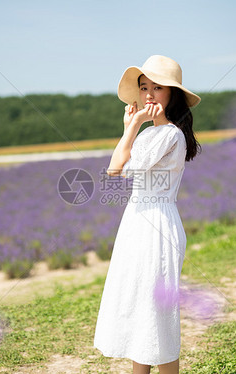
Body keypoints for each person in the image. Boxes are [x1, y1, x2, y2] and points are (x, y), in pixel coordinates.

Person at [93, 55, 202, 374]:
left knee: (157, 315)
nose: (149, 94)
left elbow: (124, 171)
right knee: (140, 309)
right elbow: (115, 169)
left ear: (173, 94)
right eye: (144, 87)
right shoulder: (147, 134)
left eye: (158, 87)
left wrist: (133, 126)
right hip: (137, 223)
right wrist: (131, 128)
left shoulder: (170, 134)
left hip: (157, 224)